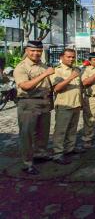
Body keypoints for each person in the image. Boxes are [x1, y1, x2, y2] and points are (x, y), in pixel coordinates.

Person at [13, 41, 54, 175]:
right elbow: (25, 86)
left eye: (39, 51)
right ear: (27, 50)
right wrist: (45, 74)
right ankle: (27, 163)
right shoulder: (22, 67)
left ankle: (40, 154)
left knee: (43, 132)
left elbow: (48, 84)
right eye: (33, 51)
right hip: (28, 103)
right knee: (27, 135)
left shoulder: (42, 65)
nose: (36, 53)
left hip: (43, 102)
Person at [51, 48, 83, 165]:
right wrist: (71, 77)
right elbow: (57, 88)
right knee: (61, 131)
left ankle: (70, 149)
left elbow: (80, 87)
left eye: (73, 57)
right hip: (64, 104)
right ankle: (58, 154)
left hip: (75, 104)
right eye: (68, 57)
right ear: (61, 57)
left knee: (72, 129)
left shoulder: (76, 69)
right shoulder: (57, 71)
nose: (71, 59)